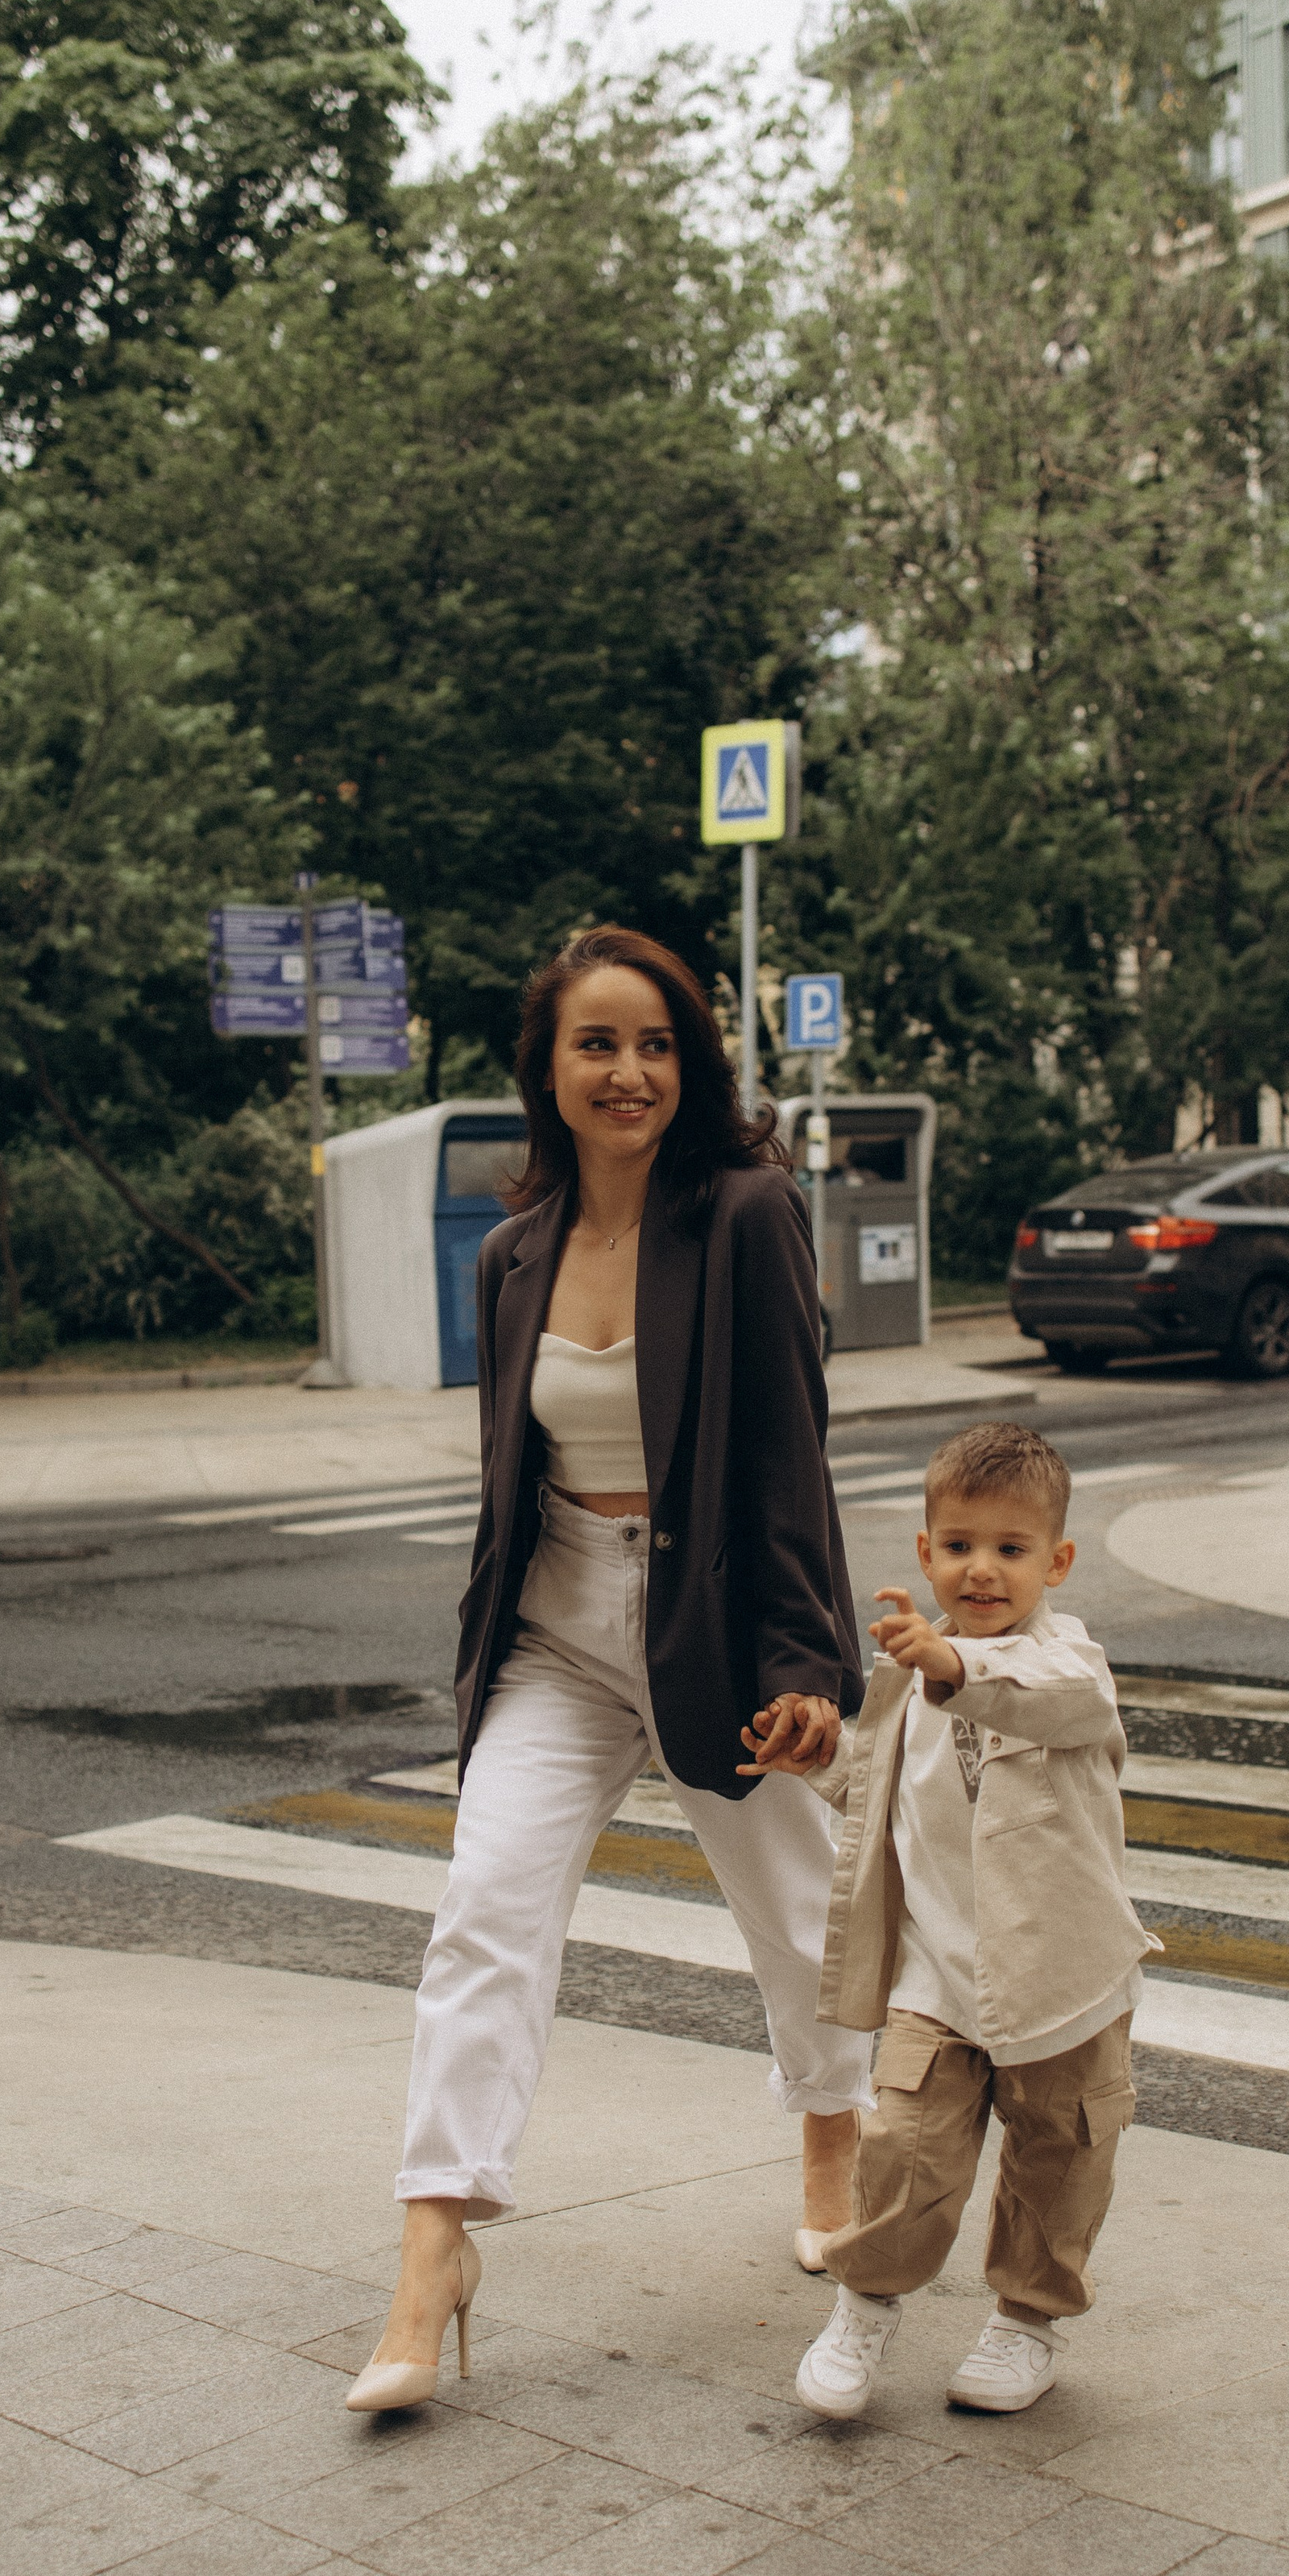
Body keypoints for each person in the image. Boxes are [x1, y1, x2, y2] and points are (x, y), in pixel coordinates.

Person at [345, 925, 874, 2413]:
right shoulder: (515, 1255)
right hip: (559, 1626)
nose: (627, 1071)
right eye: (597, 1045)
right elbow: (509, 1482)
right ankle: (432, 2246)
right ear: (550, 1071)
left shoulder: (750, 1215)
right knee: (484, 1910)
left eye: (654, 1044)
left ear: (687, 1063)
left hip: (710, 1616)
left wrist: (807, 1663)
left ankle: (832, 2140)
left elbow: (789, 1454)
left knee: (796, 1910)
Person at [747, 1420, 1158, 2421]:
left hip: (1064, 1980)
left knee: (1059, 2162)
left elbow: (1047, 1704)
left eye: (1011, 1550)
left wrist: (950, 1667)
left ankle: (1025, 2322)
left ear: (1055, 1562)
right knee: (905, 2155)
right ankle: (864, 2307)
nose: (983, 1571)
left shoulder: (1070, 1666)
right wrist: (818, 1759)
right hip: (939, 1981)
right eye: (961, 1546)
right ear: (925, 1554)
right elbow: (879, 1791)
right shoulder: (909, 1671)